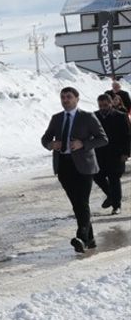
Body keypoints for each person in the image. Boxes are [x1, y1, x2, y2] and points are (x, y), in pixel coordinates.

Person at [41, 87, 109, 253]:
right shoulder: (56, 118)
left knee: (82, 201)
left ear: (77, 99)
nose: (65, 100)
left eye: (69, 97)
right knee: (77, 203)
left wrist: (83, 144)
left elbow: (103, 139)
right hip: (64, 166)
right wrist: (51, 145)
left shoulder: (87, 117)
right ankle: (90, 239)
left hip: (84, 165)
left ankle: (82, 238)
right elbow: (45, 138)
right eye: (63, 97)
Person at [94, 93, 130, 215]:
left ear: (110, 103)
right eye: (100, 105)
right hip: (99, 154)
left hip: (116, 154)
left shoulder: (121, 116)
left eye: (105, 105)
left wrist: (126, 153)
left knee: (114, 179)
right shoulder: (94, 116)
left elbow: (127, 136)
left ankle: (116, 206)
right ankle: (111, 195)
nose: (103, 108)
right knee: (97, 176)